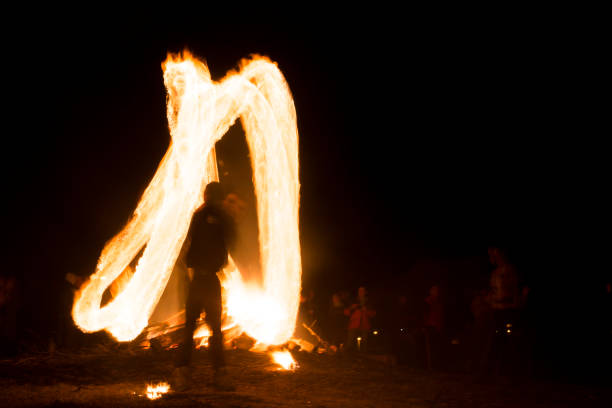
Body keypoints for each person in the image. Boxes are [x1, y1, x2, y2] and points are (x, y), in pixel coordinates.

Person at [171, 182, 236, 391]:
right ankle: (214, 374)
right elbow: (230, 239)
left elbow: (190, 244)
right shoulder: (210, 216)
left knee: (196, 327)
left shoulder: (204, 215)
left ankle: (185, 373)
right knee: (211, 329)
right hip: (204, 280)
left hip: (201, 279)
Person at [344, 286, 376, 352]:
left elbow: (373, 314)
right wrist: (352, 308)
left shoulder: (369, 302)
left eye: (362, 291)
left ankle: (363, 356)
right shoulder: (353, 301)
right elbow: (346, 312)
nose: (361, 292)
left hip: (365, 325)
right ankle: (349, 355)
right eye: (359, 291)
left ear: (365, 292)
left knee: (364, 343)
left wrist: (366, 310)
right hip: (353, 325)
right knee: (350, 342)